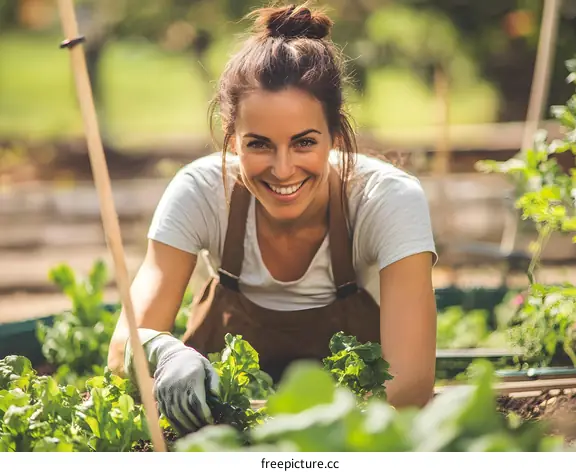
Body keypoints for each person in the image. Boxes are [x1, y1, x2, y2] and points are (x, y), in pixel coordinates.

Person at [107, 3, 438, 436]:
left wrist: (302, 438)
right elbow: (121, 347)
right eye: (259, 144)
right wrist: (163, 352)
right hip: (219, 438)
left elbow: (410, 385)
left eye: (304, 142)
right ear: (231, 139)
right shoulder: (202, 192)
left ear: (335, 135)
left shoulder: (386, 199)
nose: (283, 170)